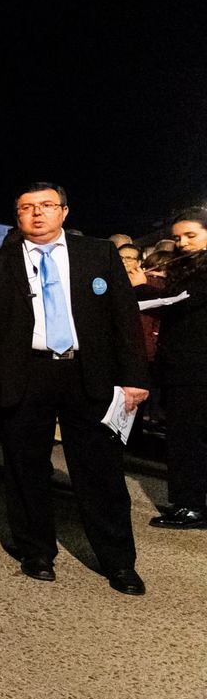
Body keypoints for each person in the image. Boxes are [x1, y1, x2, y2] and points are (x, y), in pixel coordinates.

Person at [0, 183, 150, 595]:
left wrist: (135, 376)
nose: (37, 214)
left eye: (46, 206)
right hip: (24, 375)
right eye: (26, 208)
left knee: (100, 472)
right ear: (17, 216)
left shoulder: (98, 253)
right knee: (26, 468)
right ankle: (36, 552)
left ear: (64, 211)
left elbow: (125, 318)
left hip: (88, 373)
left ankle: (118, 562)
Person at [138, 209, 207, 529]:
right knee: (184, 437)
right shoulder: (190, 266)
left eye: (191, 235)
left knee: (188, 438)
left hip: (196, 368)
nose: (183, 243)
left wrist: (136, 292)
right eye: (179, 237)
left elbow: (174, 301)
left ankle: (192, 506)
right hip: (184, 366)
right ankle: (188, 501)